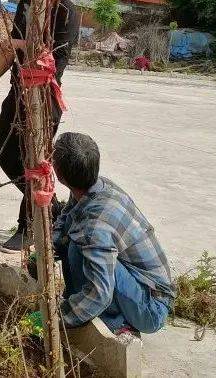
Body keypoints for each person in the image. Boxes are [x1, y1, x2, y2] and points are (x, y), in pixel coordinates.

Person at [0, 0, 80, 252]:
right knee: (6, 153)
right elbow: (12, 47)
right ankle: (52, 206)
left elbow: (57, 59)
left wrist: (21, 44)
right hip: (17, 89)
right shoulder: (25, 1)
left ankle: (28, 228)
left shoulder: (66, 11)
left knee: (33, 161)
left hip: (42, 97)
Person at [51, 132, 173, 339]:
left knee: (78, 248)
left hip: (151, 307)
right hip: (138, 287)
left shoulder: (95, 228)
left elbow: (99, 293)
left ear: (59, 176)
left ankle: (113, 324)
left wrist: (56, 318)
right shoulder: (97, 187)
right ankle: (82, 305)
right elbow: (67, 216)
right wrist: (50, 246)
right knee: (71, 237)